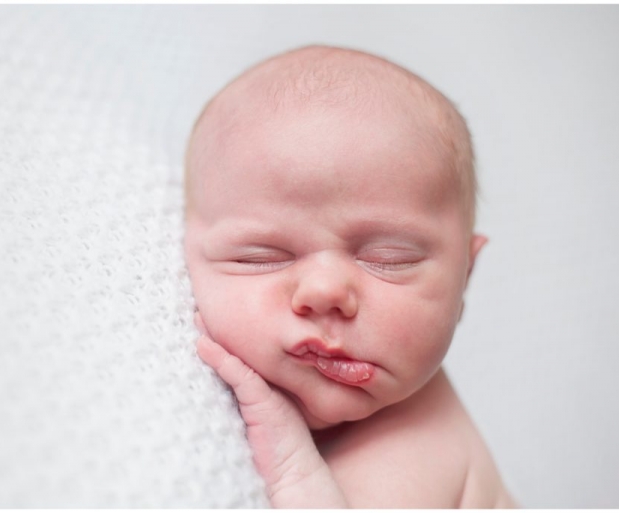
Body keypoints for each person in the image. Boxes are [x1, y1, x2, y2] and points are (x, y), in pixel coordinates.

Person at [183, 44, 515, 508]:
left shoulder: (415, 451)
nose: (325, 292)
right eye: (261, 257)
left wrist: (292, 472)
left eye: (389, 258)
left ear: (466, 274)